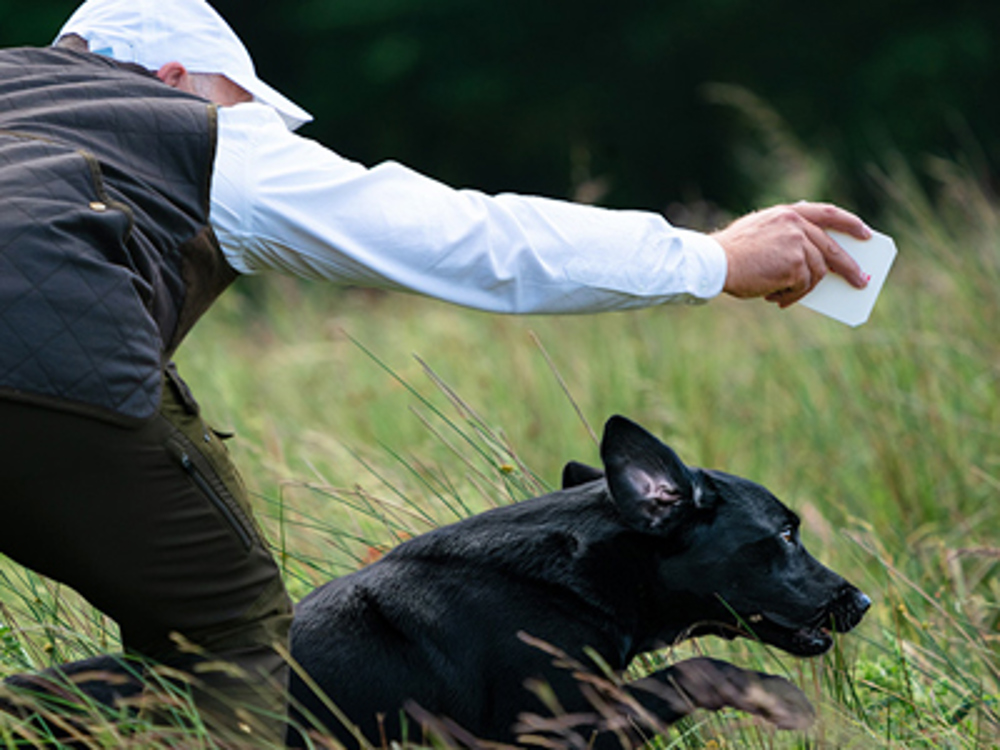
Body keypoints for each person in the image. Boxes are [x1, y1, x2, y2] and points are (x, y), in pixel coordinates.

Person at [0, 0, 871, 742]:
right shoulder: (200, 133)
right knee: (230, 640)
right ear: (176, 76)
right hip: (46, 377)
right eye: (245, 106)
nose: (254, 128)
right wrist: (713, 259)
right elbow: (476, 240)